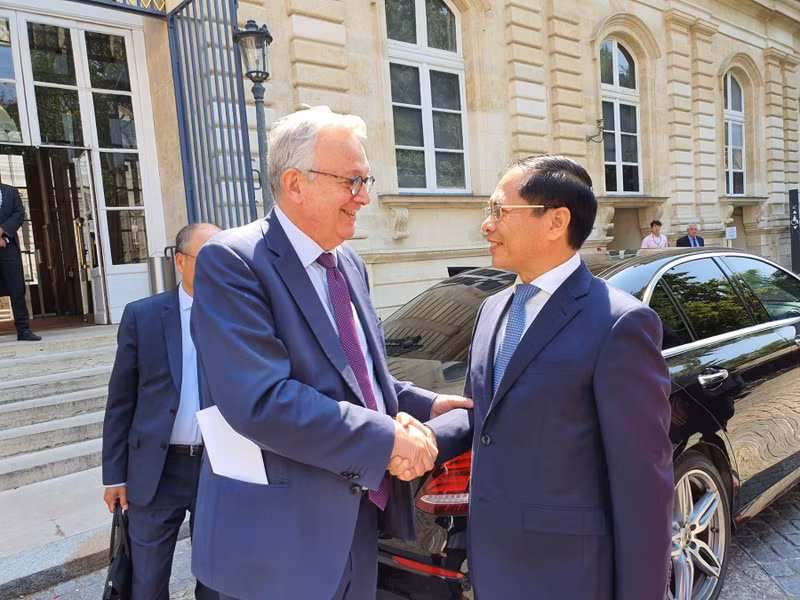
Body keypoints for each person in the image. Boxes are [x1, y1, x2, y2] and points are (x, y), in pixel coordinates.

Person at [189, 106, 471, 600]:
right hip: (275, 548)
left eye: (366, 180)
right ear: (296, 183)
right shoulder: (234, 261)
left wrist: (422, 405)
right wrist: (388, 438)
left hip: (355, 533)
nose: (364, 197)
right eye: (352, 181)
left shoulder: (350, 263)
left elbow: (357, 376)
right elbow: (261, 400)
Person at [423, 156, 674, 600]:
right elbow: (483, 419)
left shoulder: (620, 323)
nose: (487, 224)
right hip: (491, 566)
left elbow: (643, 487)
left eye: (500, 210)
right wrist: (410, 439)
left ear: (556, 221)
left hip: (570, 576)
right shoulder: (491, 309)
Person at [101, 222, 221, 600]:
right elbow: (120, 401)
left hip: (217, 468)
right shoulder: (144, 316)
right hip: (157, 471)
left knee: (219, 580)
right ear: (181, 261)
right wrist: (114, 476)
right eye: (208, 259)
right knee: (147, 583)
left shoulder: (239, 316)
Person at [0, 182, 40, 341]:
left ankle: (23, 330)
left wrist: (1, 232)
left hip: (8, 247)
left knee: (17, 289)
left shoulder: (11, 192)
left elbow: (18, 214)